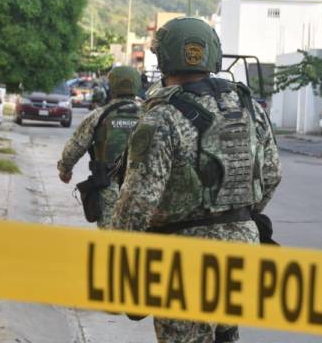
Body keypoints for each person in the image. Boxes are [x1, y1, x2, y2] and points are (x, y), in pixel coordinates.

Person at [111, 17, 281, 343]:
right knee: (225, 337)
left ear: (164, 59)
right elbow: (272, 175)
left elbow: (137, 203)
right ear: (213, 56)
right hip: (241, 251)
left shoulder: (161, 117)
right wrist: (236, 215)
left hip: (182, 259)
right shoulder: (249, 108)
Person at [57, 66, 144, 228]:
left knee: (110, 240)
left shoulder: (99, 115)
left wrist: (65, 170)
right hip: (145, 190)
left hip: (109, 190)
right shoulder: (152, 114)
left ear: (111, 85)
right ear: (137, 85)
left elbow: (75, 147)